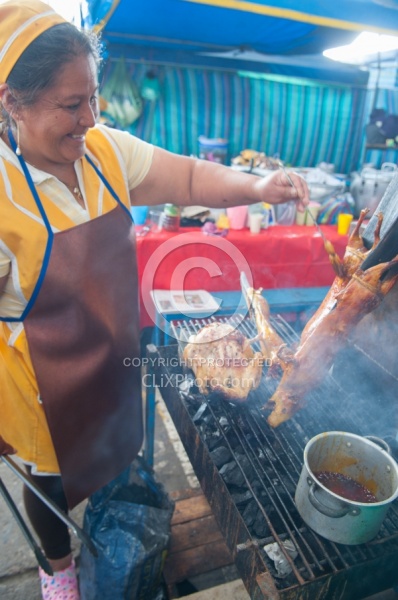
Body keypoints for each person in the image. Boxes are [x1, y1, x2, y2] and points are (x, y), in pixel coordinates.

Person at [0, 1, 310, 598]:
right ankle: (57, 572)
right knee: (50, 483)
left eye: (92, 97)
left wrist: (258, 186)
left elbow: (191, 178)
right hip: (39, 379)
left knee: (115, 455)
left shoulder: (106, 151)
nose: (89, 117)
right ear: (12, 100)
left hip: (113, 355)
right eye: (71, 104)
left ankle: (115, 531)